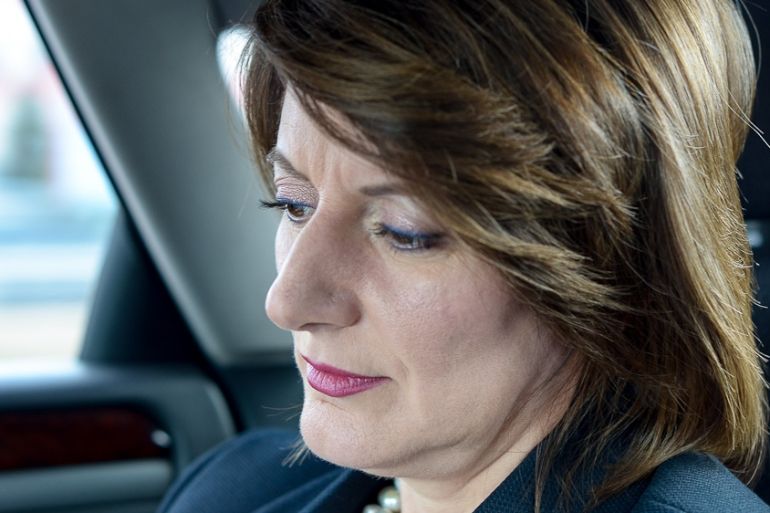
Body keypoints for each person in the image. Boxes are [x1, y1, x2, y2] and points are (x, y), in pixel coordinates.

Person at [158, 1, 770, 512]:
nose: (287, 302)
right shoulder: (231, 489)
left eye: (405, 233)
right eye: (294, 204)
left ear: (610, 261)